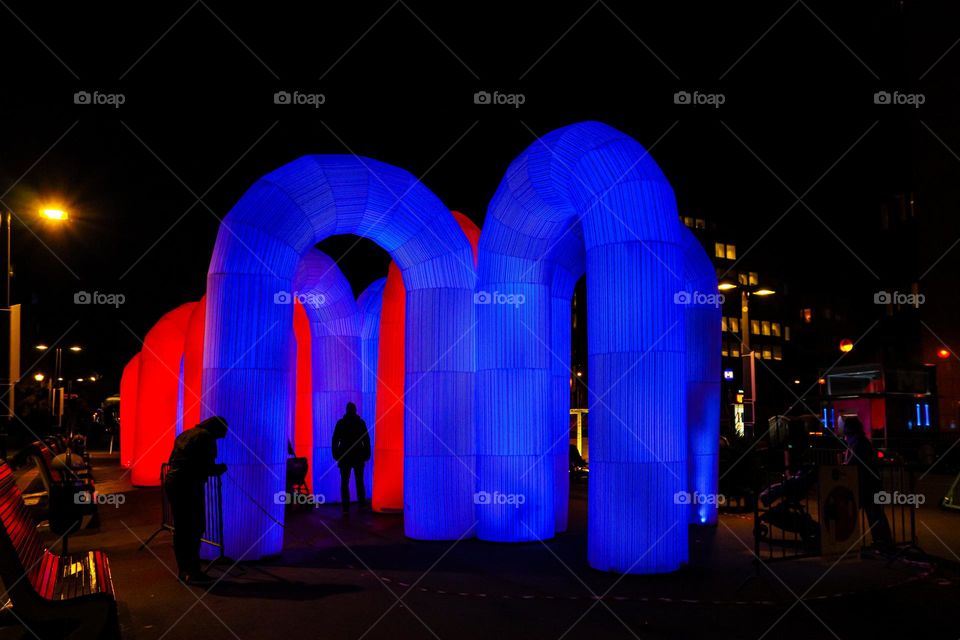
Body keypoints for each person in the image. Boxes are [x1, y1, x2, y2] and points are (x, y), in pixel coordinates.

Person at [164, 416, 228, 584]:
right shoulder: (206, 437)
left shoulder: (186, 434)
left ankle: (184, 570)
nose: (224, 437)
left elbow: (172, 460)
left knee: (182, 528)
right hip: (189, 485)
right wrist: (220, 469)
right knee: (195, 527)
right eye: (223, 433)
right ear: (216, 429)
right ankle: (193, 571)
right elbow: (206, 466)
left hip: (174, 482)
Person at [840, 416, 892, 548]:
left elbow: (853, 463)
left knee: (875, 514)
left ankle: (883, 542)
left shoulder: (859, 444)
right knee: (875, 514)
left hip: (868, 486)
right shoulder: (860, 442)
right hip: (869, 485)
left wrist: (843, 467)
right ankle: (882, 541)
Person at [331, 402, 371, 513]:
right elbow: (366, 440)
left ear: (346, 410)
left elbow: (335, 440)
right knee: (359, 480)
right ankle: (361, 503)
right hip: (358, 455)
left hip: (345, 456)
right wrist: (367, 454)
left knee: (344, 482)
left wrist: (336, 454)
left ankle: (346, 506)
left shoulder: (341, 423)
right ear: (355, 410)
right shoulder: (360, 423)